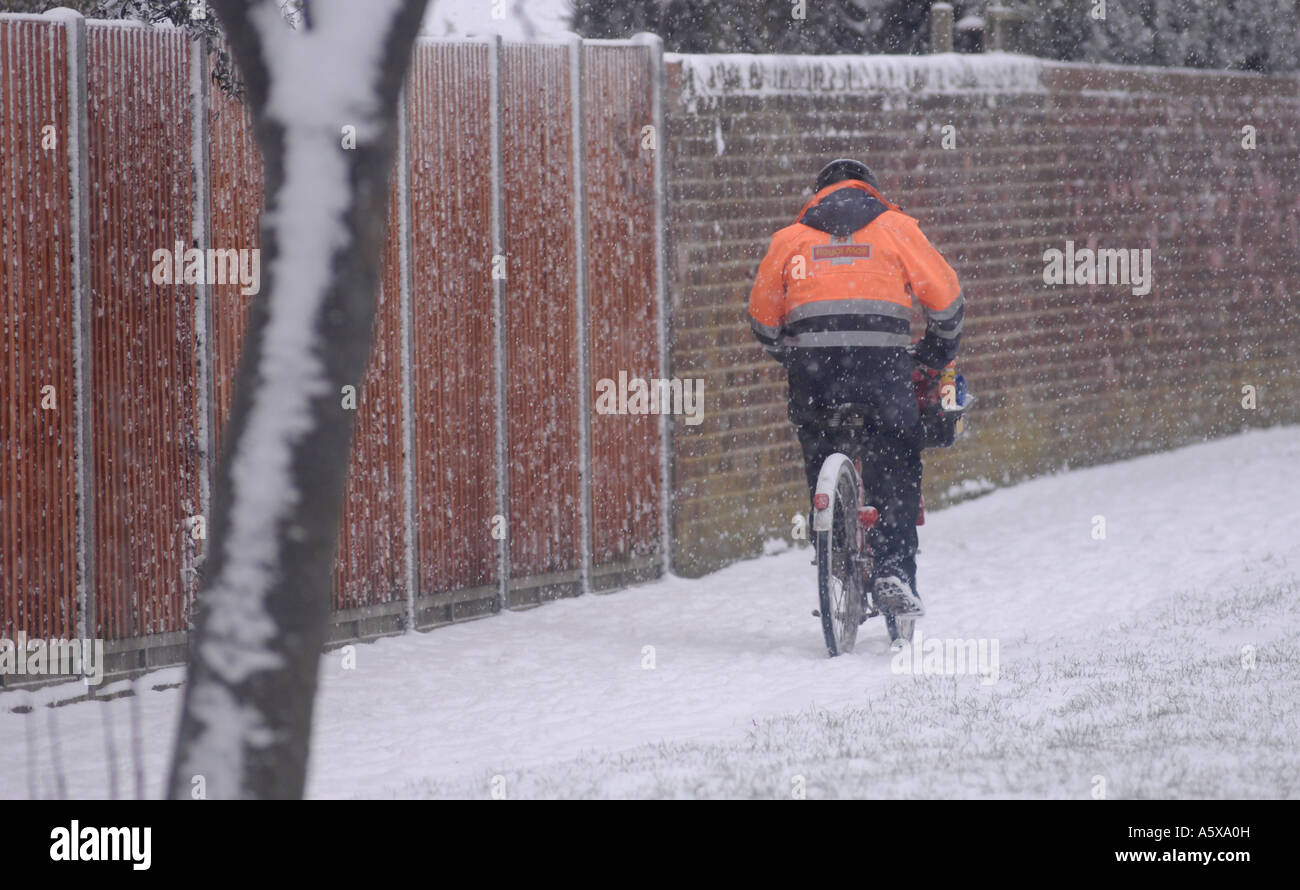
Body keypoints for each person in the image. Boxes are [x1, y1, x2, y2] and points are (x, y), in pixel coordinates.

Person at [747, 159, 963, 617]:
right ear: (872, 191)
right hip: (882, 372)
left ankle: (835, 546)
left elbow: (763, 322)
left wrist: (794, 354)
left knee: (819, 443)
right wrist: (936, 351)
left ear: (818, 196)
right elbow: (946, 301)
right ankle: (892, 570)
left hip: (815, 376)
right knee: (897, 451)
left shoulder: (790, 240)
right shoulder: (896, 228)